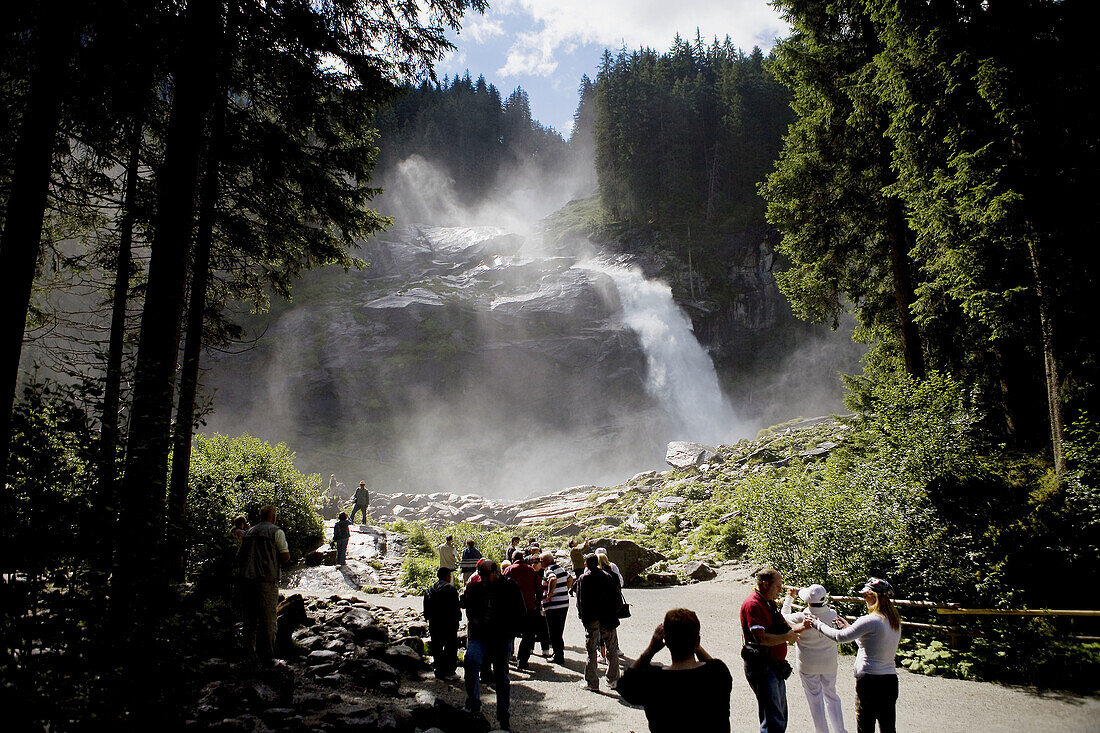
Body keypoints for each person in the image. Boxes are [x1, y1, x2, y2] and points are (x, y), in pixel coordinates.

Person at [806, 578, 902, 733]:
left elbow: (839, 637)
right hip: (889, 679)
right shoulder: (893, 621)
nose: (864, 600)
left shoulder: (870, 620)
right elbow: (870, 644)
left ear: (874, 597)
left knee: (865, 723)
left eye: (866, 596)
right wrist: (849, 627)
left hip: (870, 679)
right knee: (888, 725)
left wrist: (817, 624)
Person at [617, 608, 733, 732]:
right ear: (697, 641)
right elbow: (712, 664)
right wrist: (695, 644)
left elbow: (624, 685)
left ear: (666, 642)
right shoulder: (717, 673)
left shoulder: (653, 680)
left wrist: (650, 650)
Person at [740, 567, 810, 733]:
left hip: (774, 666)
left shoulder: (768, 601)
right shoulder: (753, 604)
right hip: (763, 666)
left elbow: (784, 626)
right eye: (778, 585)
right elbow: (761, 638)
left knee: (779, 715)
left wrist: (803, 626)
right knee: (773, 719)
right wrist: (787, 638)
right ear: (765, 584)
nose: (780, 589)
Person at [460, 560, 525, 731]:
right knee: (470, 662)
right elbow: (469, 609)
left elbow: (520, 610)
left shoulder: (510, 586)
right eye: (480, 575)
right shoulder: (477, 586)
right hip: (479, 634)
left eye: (485, 575)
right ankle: (474, 705)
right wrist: (475, 622)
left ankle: (504, 718)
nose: (482, 578)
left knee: (501, 677)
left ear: (496, 572)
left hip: (501, 637)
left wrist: (511, 632)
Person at [782, 585, 848, 733]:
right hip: (829, 663)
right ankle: (840, 730)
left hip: (808, 664)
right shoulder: (832, 614)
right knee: (832, 696)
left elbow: (783, 616)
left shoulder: (801, 617)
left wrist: (789, 598)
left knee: (815, 700)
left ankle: (822, 731)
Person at [236, 505, 290, 664]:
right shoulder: (276, 532)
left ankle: (248, 656)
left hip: (247, 580)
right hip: (267, 581)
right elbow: (285, 556)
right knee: (268, 620)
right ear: (273, 517)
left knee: (249, 619)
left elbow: (240, 556)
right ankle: (266, 658)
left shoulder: (249, 532)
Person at [575, 554, 622, 691]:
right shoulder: (607, 576)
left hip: (591, 619)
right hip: (608, 618)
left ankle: (592, 682)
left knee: (591, 650)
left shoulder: (584, 578)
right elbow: (616, 597)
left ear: (586, 564)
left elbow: (580, 602)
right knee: (611, 648)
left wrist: (583, 618)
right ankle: (613, 680)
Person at [503, 554, 544, 671]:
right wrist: (537, 602)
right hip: (529, 609)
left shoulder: (508, 570)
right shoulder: (531, 570)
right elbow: (539, 589)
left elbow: (501, 587)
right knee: (528, 636)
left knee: (508, 635)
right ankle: (522, 660)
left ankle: (507, 659)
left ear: (513, 559)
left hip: (511, 610)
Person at [423, 567, 461, 679]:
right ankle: (450, 671)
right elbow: (455, 607)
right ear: (447, 576)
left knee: (437, 647)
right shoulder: (451, 590)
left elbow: (426, 609)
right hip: (449, 623)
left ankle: (438, 670)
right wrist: (458, 619)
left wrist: (428, 618)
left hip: (434, 623)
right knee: (451, 647)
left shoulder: (430, 590)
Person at [541, 551, 571, 664]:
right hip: (564, 603)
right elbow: (570, 579)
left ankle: (558, 656)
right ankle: (558, 653)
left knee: (554, 632)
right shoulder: (561, 568)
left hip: (554, 606)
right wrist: (564, 590)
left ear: (546, 561)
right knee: (559, 630)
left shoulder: (548, 570)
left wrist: (549, 594)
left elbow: (552, 579)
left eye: (541, 560)